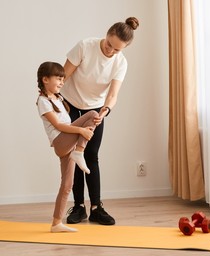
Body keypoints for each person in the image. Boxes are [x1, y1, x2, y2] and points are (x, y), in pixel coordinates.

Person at [61, 17, 140, 225]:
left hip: (96, 109)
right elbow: (63, 76)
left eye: (117, 50)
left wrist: (105, 110)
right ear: (106, 35)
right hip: (70, 104)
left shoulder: (121, 62)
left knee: (91, 156)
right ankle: (78, 207)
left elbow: (113, 94)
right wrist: (57, 101)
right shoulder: (85, 46)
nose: (110, 51)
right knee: (73, 155)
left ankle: (96, 207)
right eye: (109, 45)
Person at [36, 61, 99, 233]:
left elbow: (67, 124)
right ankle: (80, 152)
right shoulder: (43, 101)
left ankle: (56, 223)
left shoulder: (59, 98)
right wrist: (81, 131)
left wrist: (82, 132)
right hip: (61, 141)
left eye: (63, 79)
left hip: (68, 145)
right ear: (45, 79)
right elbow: (59, 125)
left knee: (67, 185)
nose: (62, 82)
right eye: (58, 79)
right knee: (93, 114)